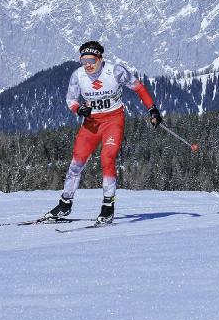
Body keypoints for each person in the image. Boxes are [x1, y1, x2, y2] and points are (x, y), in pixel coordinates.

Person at [44, 41, 162, 225]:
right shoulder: (78, 75)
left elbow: (138, 87)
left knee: (107, 158)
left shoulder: (115, 71)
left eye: (91, 59)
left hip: (113, 121)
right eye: (83, 60)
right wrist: (78, 110)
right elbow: (71, 99)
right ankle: (64, 204)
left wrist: (152, 109)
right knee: (76, 163)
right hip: (91, 124)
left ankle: (108, 209)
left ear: (100, 58)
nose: (88, 64)